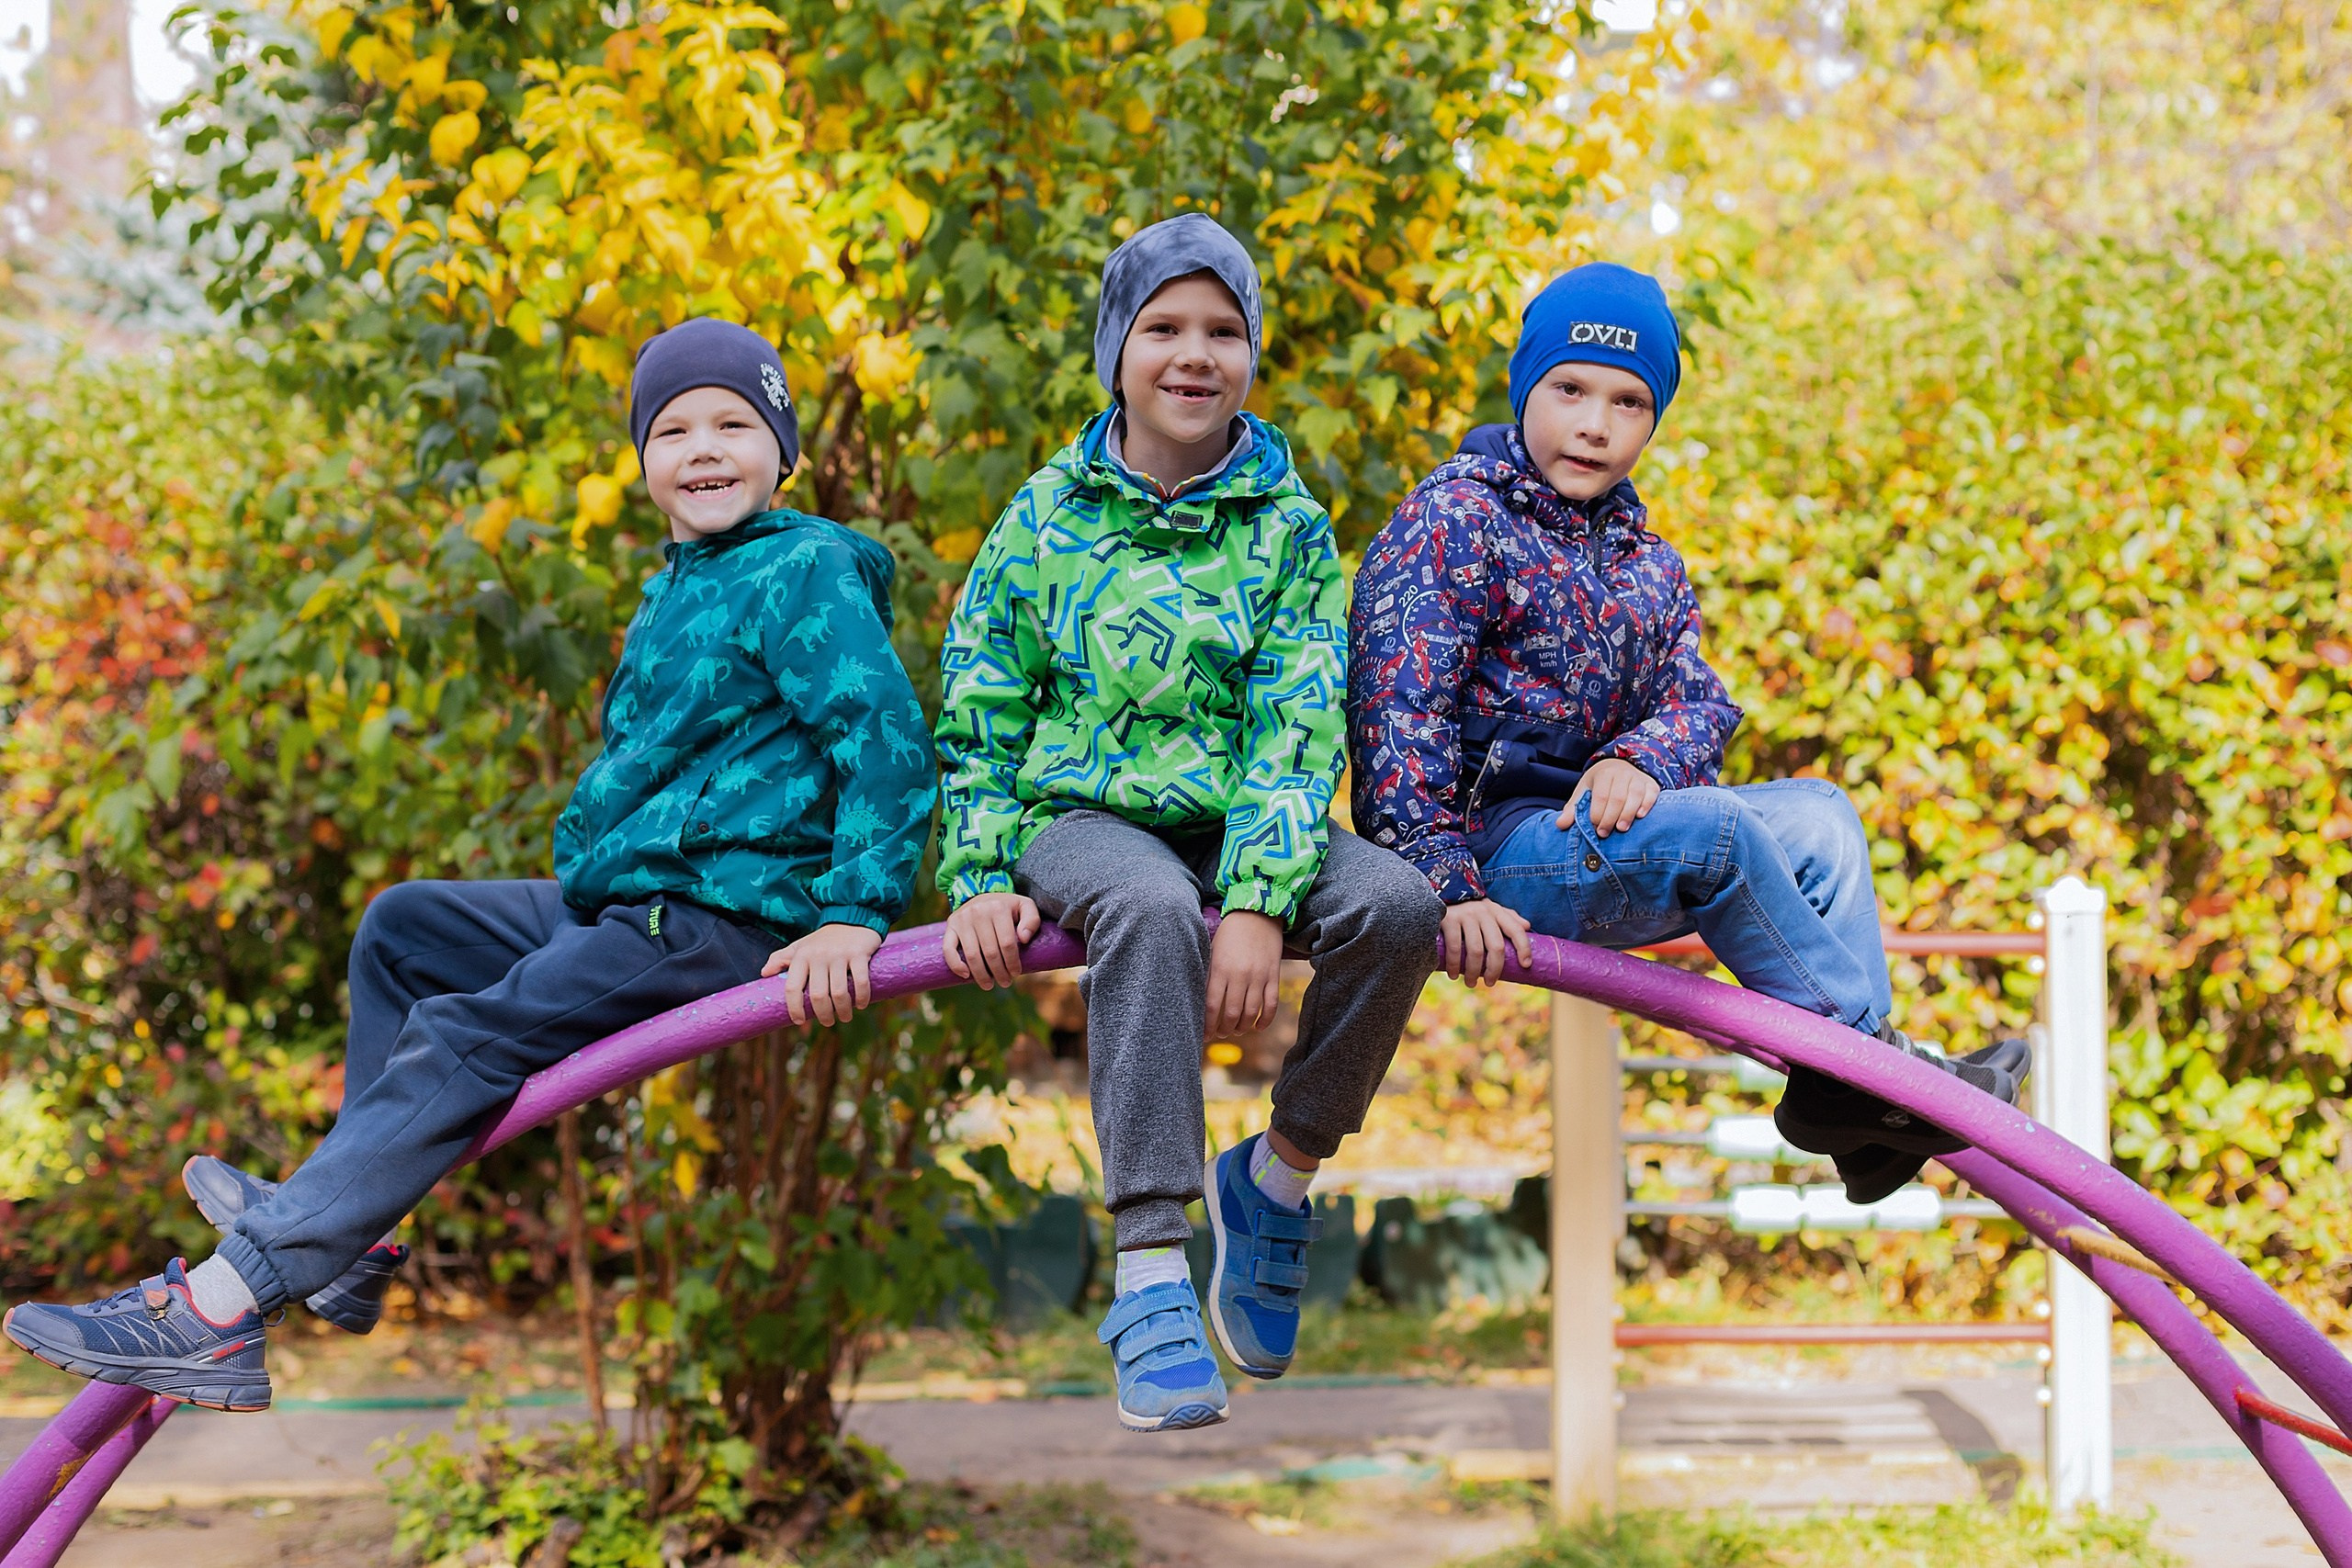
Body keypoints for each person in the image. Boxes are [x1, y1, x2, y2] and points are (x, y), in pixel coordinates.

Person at [4, 319, 936, 1411]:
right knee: (406, 931)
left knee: (465, 1032)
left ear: (784, 451)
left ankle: (218, 1309)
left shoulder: (803, 568)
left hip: (717, 919)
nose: (704, 447)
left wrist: (855, 914)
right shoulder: (685, 583)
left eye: (735, 422)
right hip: (631, 903)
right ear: (643, 464)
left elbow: (883, 737)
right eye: (673, 428)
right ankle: (353, 1240)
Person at [1345, 262, 2027, 1206]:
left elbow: (1697, 704)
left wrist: (1639, 757)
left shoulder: (1645, 563)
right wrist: (1442, 884)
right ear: (1524, 389)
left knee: (1821, 816)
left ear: (1652, 421)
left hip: (1592, 838)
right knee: (1720, 833)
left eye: (1629, 402)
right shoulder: (1454, 521)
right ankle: (1878, 1079)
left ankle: (1858, 1109)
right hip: (1493, 857)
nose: (1595, 422)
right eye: (1569, 389)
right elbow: (1396, 718)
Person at [933, 214, 1442, 1433]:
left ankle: (1278, 1177)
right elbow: (982, 700)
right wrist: (977, 873)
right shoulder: (1047, 515)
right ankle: (1153, 1265)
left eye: (1223, 329)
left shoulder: (1286, 524)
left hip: (1240, 825)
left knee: (1397, 905)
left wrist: (1264, 901)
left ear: (1252, 354)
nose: (1193, 353)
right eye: (1164, 326)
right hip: (1083, 815)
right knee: (1152, 902)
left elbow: (1298, 713)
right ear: (1117, 349)